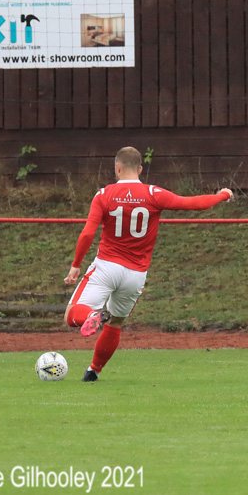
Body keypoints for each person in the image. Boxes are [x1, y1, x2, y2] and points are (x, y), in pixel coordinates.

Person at [64, 147, 233, 382]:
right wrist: (222, 195)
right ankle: (94, 370)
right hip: (135, 274)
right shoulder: (153, 194)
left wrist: (76, 264)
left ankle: (93, 315)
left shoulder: (104, 194)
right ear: (141, 169)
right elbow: (193, 203)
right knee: (116, 322)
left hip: (107, 266)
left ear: (118, 167)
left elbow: (87, 233)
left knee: (72, 314)